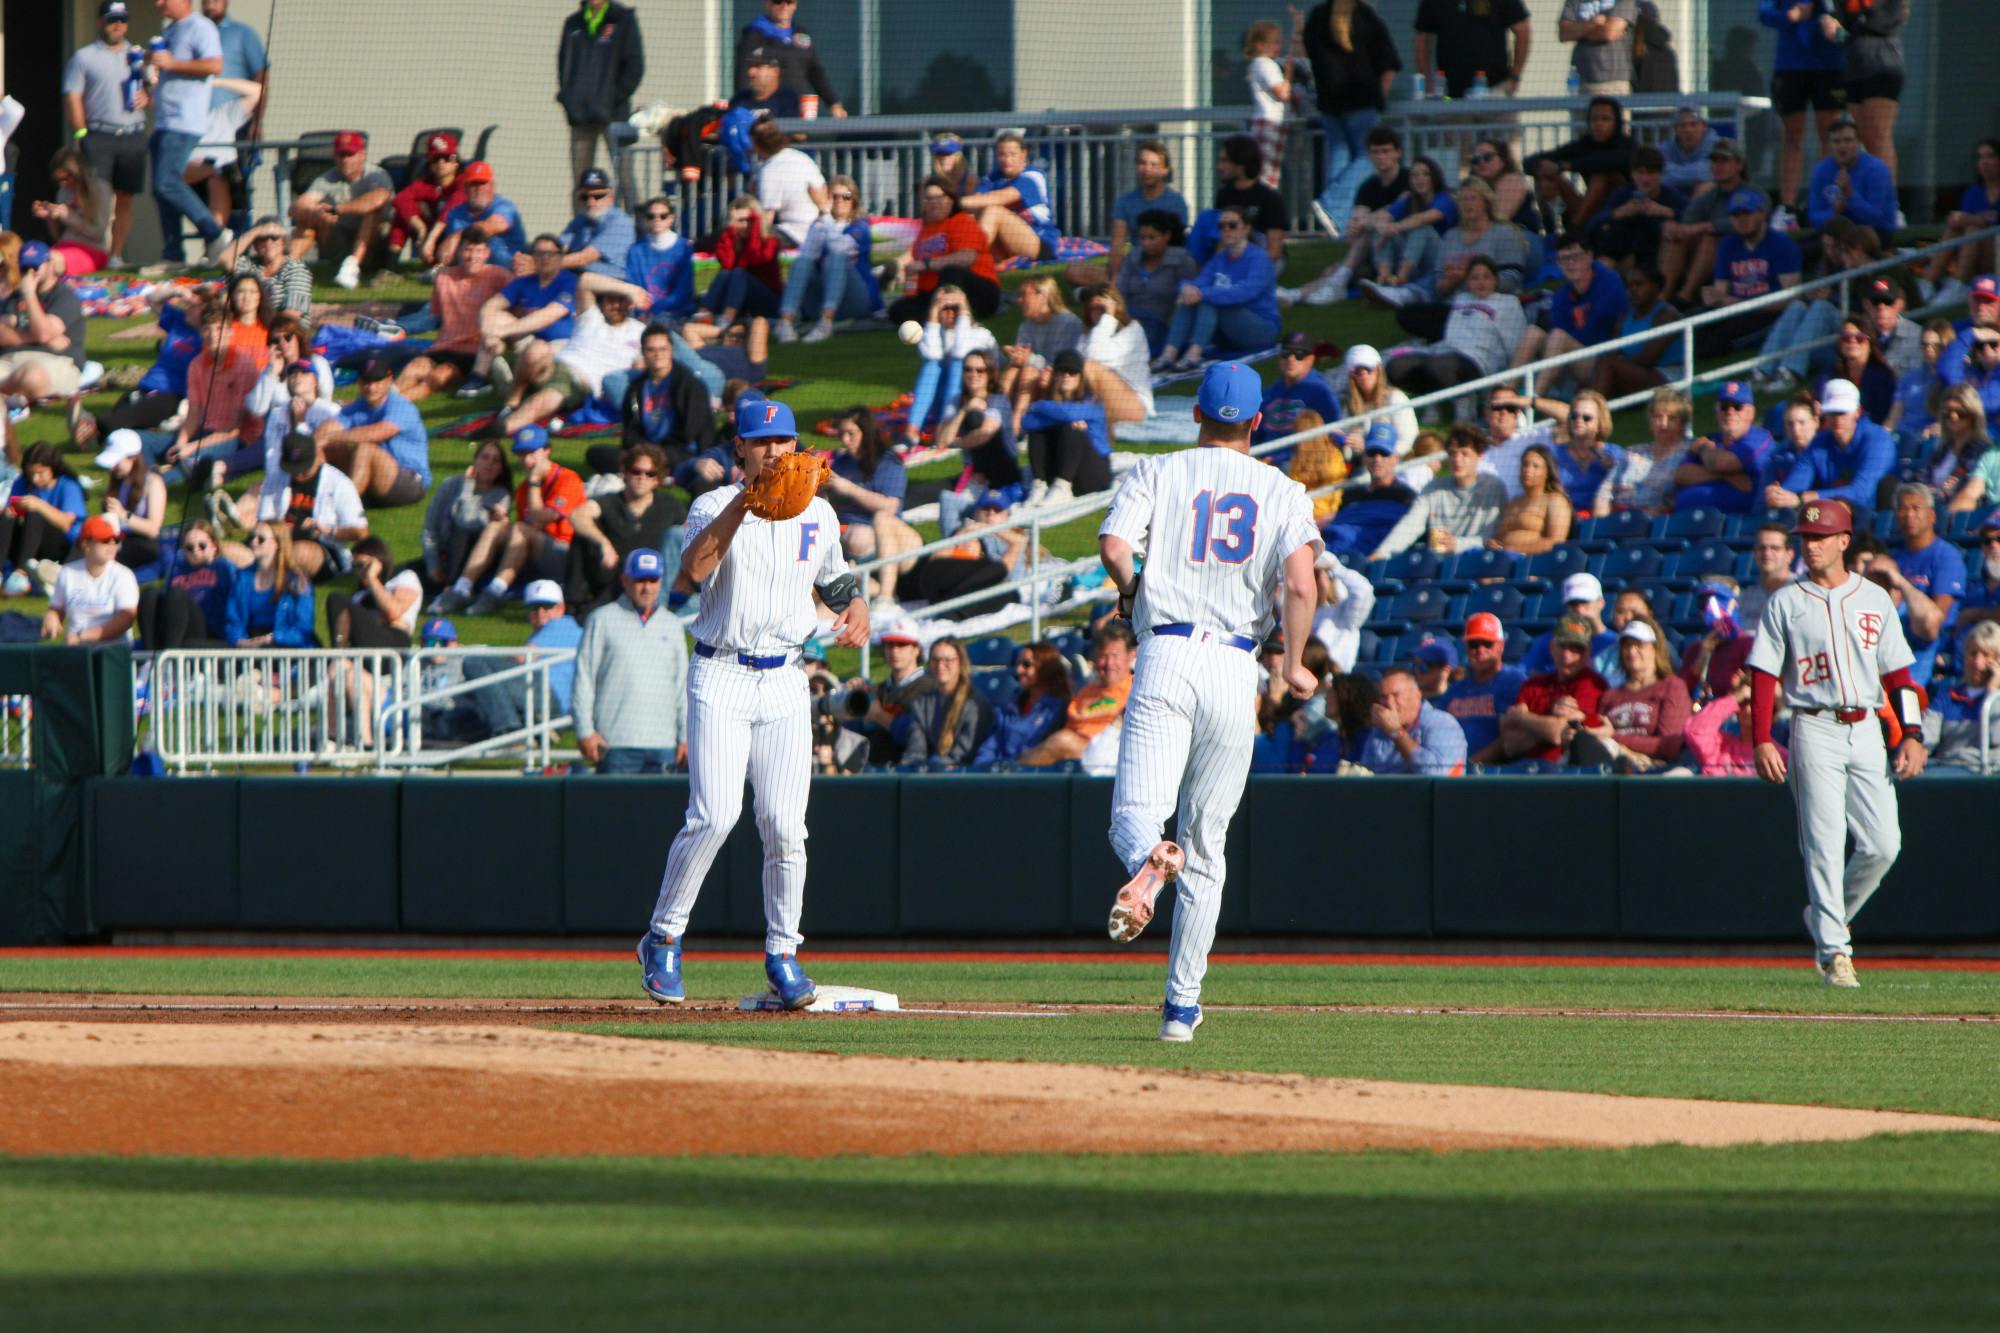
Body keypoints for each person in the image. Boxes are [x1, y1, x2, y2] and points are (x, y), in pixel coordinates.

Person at [1098, 362, 1321, 1043]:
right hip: (1234, 663)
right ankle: (1180, 1010)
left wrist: (1133, 590)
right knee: (1207, 845)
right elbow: (1302, 583)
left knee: (1135, 817)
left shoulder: (1157, 472)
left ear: (1196, 414)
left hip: (1165, 649)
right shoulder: (1282, 489)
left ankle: (1148, 860)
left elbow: (1112, 547)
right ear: (1258, 421)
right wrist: (1297, 659)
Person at [636, 397, 871, 1009]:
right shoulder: (712, 504)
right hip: (721, 672)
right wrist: (746, 500)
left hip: (787, 679)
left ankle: (784, 952)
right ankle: (663, 937)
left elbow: (838, 581)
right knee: (714, 815)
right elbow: (692, 569)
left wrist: (859, 606)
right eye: (762, 441)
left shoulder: (817, 511)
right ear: (739, 447)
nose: (775, 451)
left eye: (784, 440)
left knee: (786, 826)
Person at [1746, 497, 1927, 987]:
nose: (1811, 545)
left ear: (1844, 541)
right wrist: (1762, 739)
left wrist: (1911, 734)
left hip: (1868, 726)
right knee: (1824, 845)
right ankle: (1834, 954)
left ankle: (1826, 917)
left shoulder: (1874, 599)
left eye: (1821, 537)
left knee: (1884, 844)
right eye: (1805, 538)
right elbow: (1763, 676)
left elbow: (1900, 677)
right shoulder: (1786, 600)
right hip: (1813, 725)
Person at [431, 426, 585, 617]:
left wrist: (535, 483)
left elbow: (541, 518)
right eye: (521, 454)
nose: (526, 461)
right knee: (497, 526)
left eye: (531, 453)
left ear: (547, 451)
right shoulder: (523, 489)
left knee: (519, 529)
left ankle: (494, 592)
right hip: (536, 556)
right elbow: (529, 529)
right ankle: (462, 588)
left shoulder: (567, 478)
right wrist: (503, 523)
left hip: (566, 557)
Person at [572, 548, 687, 775]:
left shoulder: (673, 625)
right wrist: (585, 730)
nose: (647, 587)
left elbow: (683, 687)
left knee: (663, 811)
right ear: (625, 581)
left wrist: (685, 736)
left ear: (661, 581)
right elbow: (584, 678)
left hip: (663, 743)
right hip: (615, 743)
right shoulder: (602, 620)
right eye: (639, 580)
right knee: (615, 811)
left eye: (653, 580)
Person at [1297, 0, 1401, 231]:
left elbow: (1309, 56)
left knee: (1339, 156)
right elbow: (1388, 61)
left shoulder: (1317, 16)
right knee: (1369, 157)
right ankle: (1332, 205)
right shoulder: (1364, 16)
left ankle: (1337, 224)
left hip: (1330, 103)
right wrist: (1380, 98)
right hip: (1363, 101)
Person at [441, 580, 584, 742]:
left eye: (547, 606)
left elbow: (523, 658)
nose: (540, 612)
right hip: (550, 701)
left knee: (474, 662)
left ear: (561, 608)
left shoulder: (562, 625)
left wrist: (495, 659)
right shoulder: (569, 630)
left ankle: (508, 728)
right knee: (469, 706)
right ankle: (526, 726)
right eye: (534, 607)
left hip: (550, 699)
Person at [1282, 125, 1408, 306]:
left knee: (1368, 232)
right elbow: (1355, 228)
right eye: (1376, 152)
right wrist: (1357, 225)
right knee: (1334, 270)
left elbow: (1398, 209)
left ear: (1398, 153)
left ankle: (1328, 286)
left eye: (1386, 151)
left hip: (1402, 248)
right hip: (1373, 250)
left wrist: (1366, 222)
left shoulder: (1407, 179)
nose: (1381, 157)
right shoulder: (1368, 186)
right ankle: (1297, 294)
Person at [146, 0, 231, 267]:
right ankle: (173, 254)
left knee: (167, 182)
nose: (158, 3)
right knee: (160, 190)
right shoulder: (170, 31)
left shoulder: (201, 27)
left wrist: (172, 62)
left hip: (184, 123)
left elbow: (215, 65)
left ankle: (216, 234)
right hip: (163, 122)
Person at [62, 2, 147, 268]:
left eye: (122, 20)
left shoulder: (138, 56)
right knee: (99, 197)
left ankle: (116, 255)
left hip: (132, 133)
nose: (118, 25)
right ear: (100, 22)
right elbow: (72, 95)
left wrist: (149, 96)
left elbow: (154, 90)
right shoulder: (84, 57)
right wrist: (81, 132)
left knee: (125, 197)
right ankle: (93, 252)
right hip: (99, 134)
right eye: (112, 20)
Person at [387, 235, 514, 405]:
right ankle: (378, 401)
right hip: (442, 348)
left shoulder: (498, 276)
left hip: (471, 354)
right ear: (460, 251)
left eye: (478, 250)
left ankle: (388, 406)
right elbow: (435, 315)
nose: (472, 256)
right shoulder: (443, 278)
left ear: (487, 253)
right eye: (468, 249)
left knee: (436, 377)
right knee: (413, 368)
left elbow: (518, 298)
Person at [500, 288, 645, 436]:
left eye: (621, 301)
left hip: (578, 380)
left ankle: (502, 427)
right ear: (603, 301)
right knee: (537, 348)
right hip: (555, 365)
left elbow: (638, 371)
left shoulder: (639, 331)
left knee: (541, 400)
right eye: (611, 300)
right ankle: (512, 403)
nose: (615, 306)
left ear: (630, 304)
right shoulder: (591, 316)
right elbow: (586, 281)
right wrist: (628, 288)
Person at [1154, 206, 1278, 371]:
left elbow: (1245, 293)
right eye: (1222, 226)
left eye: (1232, 225)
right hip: (1228, 331)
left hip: (1260, 328)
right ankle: (1169, 354)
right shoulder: (1220, 258)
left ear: (1246, 229)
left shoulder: (1259, 258)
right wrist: (1186, 289)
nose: (1226, 230)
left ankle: (1194, 354)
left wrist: (1201, 293)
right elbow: (1199, 282)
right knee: (1193, 299)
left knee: (1208, 300)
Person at [458, 234, 578, 400]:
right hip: (528, 341)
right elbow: (490, 306)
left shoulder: (571, 282)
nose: (545, 258)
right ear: (533, 257)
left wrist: (501, 332)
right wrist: (488, 333)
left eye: (550, 253)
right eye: (539, 253)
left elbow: (548, 316)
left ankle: (518, 385)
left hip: (560, 345)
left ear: (560, 257)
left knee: (540, 356)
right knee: (495, 318)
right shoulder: (524, 282)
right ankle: (478, 378)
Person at [1511, 233, 1630, 399]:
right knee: (1533, 332)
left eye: (1576, 257)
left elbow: (1598, 331)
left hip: (1603, 362)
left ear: (1589, 256)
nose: (1570, 264)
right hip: (1570, 359)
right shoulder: (1562, 295)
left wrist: (1564, 340)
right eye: (1564, 259)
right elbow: (1560, 329)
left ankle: (1532, 401)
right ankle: (1504, 397)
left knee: (1558, 337)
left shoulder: (1608, 280)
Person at [1760, 0, 1846, 229]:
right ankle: (1787, 207)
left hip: (1829, 65)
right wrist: (1791, 16)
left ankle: (1824, 202)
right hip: (1790, 67)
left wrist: (1838, 27)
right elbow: (1764, 12)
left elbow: (1851, 18)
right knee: (1792, 136)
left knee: (1829, 134)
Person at [1386, 258, 1524, 399]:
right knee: (1396, 367)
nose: (1481, 282)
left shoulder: (1508, 303)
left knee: (1439, 366)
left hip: (1479, 361)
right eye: (1475, 278)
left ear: (1495, 280)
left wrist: (1505, 377)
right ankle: (1432, 395)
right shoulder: (1462, 298)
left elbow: (1515, 345)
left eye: (1486, 277)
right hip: (1445, 351)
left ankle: (1463, 402)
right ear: (1468, 282)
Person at [1368, 425, 1505, 560]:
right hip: (1437, 567)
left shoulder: (1493, 487)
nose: (1457, 460)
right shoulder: (1433, 488)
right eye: (1452, 453)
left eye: (1464, 454)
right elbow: (1410, 525)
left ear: (1479, 456)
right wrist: (1382, 553)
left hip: (1478, 564)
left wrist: (1457, 544)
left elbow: (1492, 538)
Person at [557, 0, 645, 207]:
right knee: (581, 179)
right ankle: (580, 229)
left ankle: (635, 226)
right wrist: (570, 99)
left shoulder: (623, 19)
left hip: (614, 114)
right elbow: (564, 65)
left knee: (625, 176)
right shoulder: (573, 23)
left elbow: (634, 67)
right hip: (580, 116)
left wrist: (612, 99)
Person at [775, 174, 881, 343]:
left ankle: (826, 323)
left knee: (836, 258)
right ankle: (785, 323)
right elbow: (806, 258)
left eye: (845, 197)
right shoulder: (821, 224)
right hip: (822, 298)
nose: (839, 201)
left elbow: (840, 248)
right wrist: (821, 223)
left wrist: (825, 213)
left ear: (854, 200)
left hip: (855, 301)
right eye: (834, 196)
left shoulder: (860, 225)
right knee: (802, 262)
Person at [252, 428, 368, 583]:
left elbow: (361, 532)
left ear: (318, 457)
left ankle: (260, 577)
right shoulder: (275, 478)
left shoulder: (339, 484)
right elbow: (263, 521)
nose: (298, 475)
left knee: (300, 553)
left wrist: (327, 530)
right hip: (275, 542)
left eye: (303, 470)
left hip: (323, 550)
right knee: (230, 551)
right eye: (293, 470)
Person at [1876, 484, 1964, 687]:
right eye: (1903, 509)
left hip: (1929, 642)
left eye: (1916, 508)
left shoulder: (1946, 556)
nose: (1909, 515)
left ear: (1932, 515)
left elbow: (1939, 615)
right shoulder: (1896, 557)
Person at [1764, 379, 1894, 516]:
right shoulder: (1820, 442)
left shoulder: (1879, 439)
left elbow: (1862, 493)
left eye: (1842, 412)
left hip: (1870, 518)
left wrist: (1802, 498)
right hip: (1833, 517)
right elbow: (1797, 482)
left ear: (1858, 412)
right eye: (1832, 412)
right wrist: (1779, 495)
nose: (1837, 419)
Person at [1019, 622, 1137, 767]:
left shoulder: (1136, 689)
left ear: (1130, 656)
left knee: (1062, 741)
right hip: (1071, 759)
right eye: (1103, 656)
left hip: (1108, 756)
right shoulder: (1086, 692)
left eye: (1115, 655)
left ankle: (1015, 773)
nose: (1109, 663)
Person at [316, 358, 429, 509]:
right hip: (376, 479)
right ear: (359, 382)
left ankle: (344, 508)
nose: (371, 387)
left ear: (389, 380)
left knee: (365, 448)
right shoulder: (359, 405)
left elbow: (374, 434)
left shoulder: (402, 407)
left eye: (377, 381)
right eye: (366, 381)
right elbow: (327, 429)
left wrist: (330, 437)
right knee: (328, 447)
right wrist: (318, 441)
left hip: (410, 481)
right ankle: (311, 496)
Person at [1499, 614, 1611, 763]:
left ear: (1588, 652)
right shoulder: (1533, 685)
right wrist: (1550, 725)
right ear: (1552, 647)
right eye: (1562, 646)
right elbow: (1510, 744)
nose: (1567, 655)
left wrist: (1522, 718)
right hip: (1525, 773)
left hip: (1566, 775)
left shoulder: (1592, 683)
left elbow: (1558, 734)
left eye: (1576, 649)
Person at [1579, 619, 1690, 770]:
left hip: (1652, 765)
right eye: (1627, 645)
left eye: (1639, 645)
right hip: (1611, 760)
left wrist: (1613, 736)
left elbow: (1668, 746)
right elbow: (1599, 730)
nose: (1631, 651)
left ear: (1654, 649)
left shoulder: (1672, 686)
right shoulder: (1611, 694)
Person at [288, 131, 391, 290]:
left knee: (374, 213)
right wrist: (318, 214)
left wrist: (337, 209)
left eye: (350, 155)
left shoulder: (376, 175)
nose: (345, 160)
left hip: (375, 247)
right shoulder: (327, 178)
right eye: (341, 155)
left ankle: (352, 267)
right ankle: (288, 270)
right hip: (338, 243)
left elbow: (378, 199)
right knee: (307, 220)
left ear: (362, 155)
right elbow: (297, 207)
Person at [890, 176, 1002, 324]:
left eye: (939, 197)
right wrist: (910, 281)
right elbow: (915, 272)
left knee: (951, 271)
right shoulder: (926, 229)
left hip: (979, 292)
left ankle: (956, 317)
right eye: (929, 198)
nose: (934, 203)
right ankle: (941, 317)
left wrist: (926, 264)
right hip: (939, 293)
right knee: (898, 309)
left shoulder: (962, 221)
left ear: (950, 200)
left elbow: (967, 257)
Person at [1659, 137, 1749, 306]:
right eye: (1714, 161)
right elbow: (1687, 223)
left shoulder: (1752, 192)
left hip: (1743, 252)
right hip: (1702, 252)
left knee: (1710, 237)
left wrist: (1706, 226)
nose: (1718, 166)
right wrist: (1675, 229)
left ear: (1739, 165)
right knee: (1675, 236)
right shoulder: (1707, 195)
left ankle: (1684, 297)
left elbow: (1743, 222)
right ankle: (1661, 299)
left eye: (1724, 160)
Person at [0, 240, 90, 404]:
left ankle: (6, 393)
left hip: (54, 360)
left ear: (49, 264)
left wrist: (29, 295)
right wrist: (35, 336)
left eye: (35, 266)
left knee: (32, 377)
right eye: (25, 268)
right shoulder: (14, 297)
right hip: (9, 360)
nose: (31, 272)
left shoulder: (64, 296)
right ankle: (11, 394)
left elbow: (43, 333)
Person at [1019, 351, 1114, 506]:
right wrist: (1054, 416)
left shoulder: (1093, 403)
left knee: (1072, 428)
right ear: (1055, 375)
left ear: (1080, 377)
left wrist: (1036, 405)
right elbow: (1027, 422)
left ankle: (1063, 486)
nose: (1067, 376)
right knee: (1039, 432)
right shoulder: (1051, 406)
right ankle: (1039, 486)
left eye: (1072, 372)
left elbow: (1067, 413)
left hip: (1093, 474)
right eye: (1062, 372)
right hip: (1058, 471)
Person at [421, 439, 513, 597]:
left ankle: (452, 589)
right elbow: (430, 528)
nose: (489, 464)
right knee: (403, 573)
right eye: (485, 457)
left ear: (501, 469)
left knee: (461, 532)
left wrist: (468, 484)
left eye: (496, 460)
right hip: (443, 555)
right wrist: (433, 565)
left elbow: (465, 520)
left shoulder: (501, 496)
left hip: (474, 562)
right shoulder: (450, 485)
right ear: (475, 461)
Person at [617, 322, 716, 461]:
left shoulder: (690, 384)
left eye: (663, 349)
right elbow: (630, 430)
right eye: (651, 350)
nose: (658, 355)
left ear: (671, 350)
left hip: (679, 450)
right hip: (646, 450)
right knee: (598, 454)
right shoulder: (636, 387)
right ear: (643, 352)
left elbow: (691, 431)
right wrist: (643, 449)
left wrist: (659, 451)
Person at [959, 131, 1060, 266]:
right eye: (1002, 154)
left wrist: (955, 202)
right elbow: (976, 201)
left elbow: (1001, 197)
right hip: (1003, 244)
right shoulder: (991, 178)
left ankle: (968, 262)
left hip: (1039, 242)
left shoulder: (1033, 175)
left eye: (1012, 154)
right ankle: (954, 256)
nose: (1006, 160)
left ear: (1023, 154)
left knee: (994, 211)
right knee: (969, 215)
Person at [1439, 612, 1526, 766]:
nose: (1480, 650)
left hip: (1495, 774)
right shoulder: (1456, 690)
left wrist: (1471, 764)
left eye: (1487, 643)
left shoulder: (1514, 682)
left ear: (1500, 646)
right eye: (1474, 644)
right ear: (1465, 647)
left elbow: (1512, 737)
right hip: (1454, 771)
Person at [1833, 0, 1906, 182]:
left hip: (1883, 66)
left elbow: (1884, 22)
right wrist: (1835, 30)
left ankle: (1889, 203)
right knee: (1864, 137)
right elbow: (1844, 32)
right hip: (1854, 69)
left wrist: (1849, 27)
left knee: (1879, 135)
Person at [1583, 144, 1687, 273]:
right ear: (1632, 174)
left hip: (1659, 256)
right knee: (1604, 263)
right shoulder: (1623, 194)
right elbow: (1591, 225)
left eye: (1651, 172)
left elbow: (1694, 216)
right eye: (1640, 173)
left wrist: (1667, 212)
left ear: (1660, 174)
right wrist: (1618, 213)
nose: (1645, 179)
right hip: (1628, 257)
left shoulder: (1670, 195)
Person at [735, 0, 844, 116]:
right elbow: (744, 75)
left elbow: (815, 71)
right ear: (767, 3)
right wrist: (745, 109)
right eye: (777, 2)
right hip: (768, 111)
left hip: (794, 108)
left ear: (795, 5)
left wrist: (833, 103)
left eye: (789, 2)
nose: (784, 6)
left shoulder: (801, 34)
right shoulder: (753, 36)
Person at [137, 520, 235, 649]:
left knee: (177, 592)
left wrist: (211, 562)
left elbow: (235, 597)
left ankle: (171, 653)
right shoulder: (177, 570)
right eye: (189, 547)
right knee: (149, 593)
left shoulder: (222, 567)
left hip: (209, 629)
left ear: (213, 546)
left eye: (202, 545)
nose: (196, 551)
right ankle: (149, 656)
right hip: (177, 625)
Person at [41, 515, 137, 645]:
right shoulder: (68, 573)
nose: (112, 544)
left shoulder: (123, 575)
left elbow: (125, 619)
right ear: (86, 544)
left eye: (116, 539)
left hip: (113, 652)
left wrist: (83, 637)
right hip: (78, 652)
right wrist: (52, 618)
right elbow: (56, 608)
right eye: (105, 540)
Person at [1000, 275, 1084, 423]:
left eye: (1024, 295)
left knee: (1028, 372)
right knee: (1012, 371)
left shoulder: (1068, 323)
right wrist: (1016, 357)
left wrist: (1028, 359)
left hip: (1061, 379)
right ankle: (997, 417)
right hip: (1034, 376)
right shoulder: (1026, 325)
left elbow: (1061, 364)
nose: (1019, 300)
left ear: (1043, 296)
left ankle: (1018, 424)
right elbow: (1022, 358)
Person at [1113, 210, 1199, 354]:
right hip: (1125, 316)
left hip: (1155, 322)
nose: (1146, 243)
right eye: (1142, 238)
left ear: (1167, 236)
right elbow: (1119, 291)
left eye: (1152, 238)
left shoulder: (1180, 259)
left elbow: (1191, 290)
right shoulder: (1133, 257)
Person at [899, 636, 993, 767]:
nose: (940, 665)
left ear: (960, 663)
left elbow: (964, 755)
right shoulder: (921, 704)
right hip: (932, 774)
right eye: (935, 659)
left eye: (948, 660)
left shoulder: (976, 704)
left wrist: (933, 766)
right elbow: (915, 751)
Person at [1920, 621, 2000, 775]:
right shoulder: (1946, 698)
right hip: (1948, 771)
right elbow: (1926, 741)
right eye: (1972, 653)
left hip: (1987, 775)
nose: (1977, 662)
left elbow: (1996, 741)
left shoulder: (1996, 700)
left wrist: (1992, 691)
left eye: (1986, 655)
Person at [1356, 667, 1466, 775]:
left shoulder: (1442, 723)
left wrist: (1396, 733)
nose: (1389, 703)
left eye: (1396, 695)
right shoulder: (1380, 730)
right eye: (1384, 697)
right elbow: (1368, 773)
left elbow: (1433, 774)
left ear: (1417, 696)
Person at [974, 643, 1070, 766]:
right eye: (1017, 664)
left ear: (1045, 668)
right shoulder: (1009, 707)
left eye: (1026, 664)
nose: (1018, 670)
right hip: (996, 776)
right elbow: (989, 748)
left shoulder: (1056, 710)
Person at [1104, 141, 1187, 283]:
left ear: (1164, 170)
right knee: (1074, 272)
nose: (1147, 169)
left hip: (1164, 268)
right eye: (1142, 163)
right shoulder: (1125, 201)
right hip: (1134, 264)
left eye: (1154, 165)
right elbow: (1118, 244)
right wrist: (1115, 278)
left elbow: (1176, 245)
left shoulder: (1176, 202)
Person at [1927, 140, 2000, 301]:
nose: (1985, 162)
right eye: (1980, 158)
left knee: (1973, 229)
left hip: (1996, 253)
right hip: (1973, 253)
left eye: (1990, 156)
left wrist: (1975, 220)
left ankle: (1958, 285)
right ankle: (1927, 283)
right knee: (1955, 229)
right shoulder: (1973, 192)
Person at [1413, 0, 1529, 100]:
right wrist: (1427, 82)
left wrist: (1514, 77)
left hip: (1496, 92)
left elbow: (1522, 29)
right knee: (1451, 122)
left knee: (1499, 124)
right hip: (1450, 96)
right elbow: (1421, 38)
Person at [224, 521, 315, 648]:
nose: (253, 542)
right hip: (250, 646)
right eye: (252, 537)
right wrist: (240, 641)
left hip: (286, 651)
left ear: (277, 544)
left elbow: (303, 630)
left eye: (261, 539)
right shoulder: (242, 577)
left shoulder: (296, 581)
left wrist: (272, 638)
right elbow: (233, 621)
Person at [324, 535, 421, 650]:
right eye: (355, 567)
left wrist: (372, 578)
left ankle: (338, 656)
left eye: (362, 565)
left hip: (394, 640)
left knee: (337, 599)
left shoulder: (404, 578)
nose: (359, 571)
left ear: (378, 561)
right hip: (366, 645)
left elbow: (393, 611)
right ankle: (340, 659)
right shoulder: (359, 595)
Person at [1804, 118, 1896, 240]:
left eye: (1848, 140)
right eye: (1836, 141)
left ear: (1858, 143)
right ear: (1829, 145)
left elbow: (1877, 219)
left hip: (1873, 234)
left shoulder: (1877, 170)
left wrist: (1850, 196)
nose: (1842, 146)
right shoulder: (1821, 170)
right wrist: (1835, 212)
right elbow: (1813, 217)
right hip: (1835, 234)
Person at [697, 197, 783, 327]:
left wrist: (755, 228)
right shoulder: (733, 238)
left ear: (756, 220)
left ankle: (726, 318)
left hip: (768, 302)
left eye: (747, 220)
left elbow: (750, 260)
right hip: (740, 300)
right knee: (725, 273)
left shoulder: (771, 241)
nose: (742, 225)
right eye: (738, 221)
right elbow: (727, 265)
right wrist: (730, 232)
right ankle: (703, 314)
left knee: (739, 272)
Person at [387, 132, 465, 268]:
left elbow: (451, 208)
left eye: (446, 158)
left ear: (455, 162)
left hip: (455, 238)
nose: (441, 163)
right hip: (430, 238)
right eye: (435, 158)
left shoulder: (462, 182)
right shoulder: (426, 183)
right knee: (401, 214)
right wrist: (420, 227)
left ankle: (447, 267)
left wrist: (431, 238)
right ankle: (390, 266)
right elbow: (400, 199)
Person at [34, 148, 114, 278]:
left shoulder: (100, 188)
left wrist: (68, 216)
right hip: (65, 246)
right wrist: (50, 218)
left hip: (91, 250)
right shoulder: (63, 192)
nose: (63, 184)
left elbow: (98, 234)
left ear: (78, 173)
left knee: (49, 261)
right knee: (33, 257)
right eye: (58, 180)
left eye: (66, 178)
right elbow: (58, 236)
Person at [94, 430, 167, 571]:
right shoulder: (118, 482)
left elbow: (153, 529)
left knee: (104, 552)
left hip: (143, 542)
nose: (112, 467)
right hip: (118, 537)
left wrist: (124, 515)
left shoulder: (153, 482)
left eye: (116, 462)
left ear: (133, 458)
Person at [1257, 333, 1342, 448]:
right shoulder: (1269, 393)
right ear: (1279, 358)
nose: (1291, 359)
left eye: (1299, 355)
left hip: (1304, 459)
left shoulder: (1321, 392)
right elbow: (1255, 433)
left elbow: (1334, 434)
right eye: (1286, 354)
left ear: (1311, 359)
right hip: (1264, 458)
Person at [438, 161, 527, 269]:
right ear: (465, 188)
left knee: (488, 242)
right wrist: (445, 254)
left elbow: (492, 226)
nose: (479, 189)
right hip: (471, 271)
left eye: (483, 183)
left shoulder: (505, 207)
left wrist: (457, 237)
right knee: (466, 248)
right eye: (474, 184)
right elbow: (449, 250)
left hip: (511, 268)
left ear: (492, 186)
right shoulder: (456, 214)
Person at [1242, 21, 1297, 191]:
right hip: (1269, 123)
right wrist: (1288, 75)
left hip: (1268, 123)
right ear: (1260, 45)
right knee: (1267, 172)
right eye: (1274, 42)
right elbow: (1282, 93)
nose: (1278, 47)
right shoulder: (1266, 64)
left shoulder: (1257, 64)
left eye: (1279, 42)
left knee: (1270, 170)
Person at [1490, 445, 1573, 557]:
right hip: (1500, 559)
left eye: (1535, 466)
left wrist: (1512, 549)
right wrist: (1493, 544)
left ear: (1547, 472)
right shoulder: (1513, 502)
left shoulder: (1555, 501)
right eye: (1525, 464)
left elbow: (1556, 542)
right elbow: (1498, 537)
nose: (1527, 470)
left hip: (1530, 563)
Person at [225, 218, 313, 320]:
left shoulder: (295, 269)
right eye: (262, 238)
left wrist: (259, 328)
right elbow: (225, 259)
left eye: (274, 237)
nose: (268, 242)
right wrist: (255, 231)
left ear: (283, 242)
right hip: (249, 328)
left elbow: (291, 314)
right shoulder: (250, 265)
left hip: (282, 330)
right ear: (255, 243)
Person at [1816, 314, 1897, 427]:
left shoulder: (1883, 376)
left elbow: (1880, 415)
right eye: (1846, 338)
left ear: (1870, 342)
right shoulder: (1829, 374)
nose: (1852, 341)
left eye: (1859, 338)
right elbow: (1818, 402)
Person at [559, 167, 636, 284]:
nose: (591, 202)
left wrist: (544, 265)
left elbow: (585, 258)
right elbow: (559, 248)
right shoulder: (581, 219)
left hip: (613, 284)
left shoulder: (620, 222)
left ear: (611, 198)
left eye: (598, 196)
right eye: (585, 197)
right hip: (579, 278)